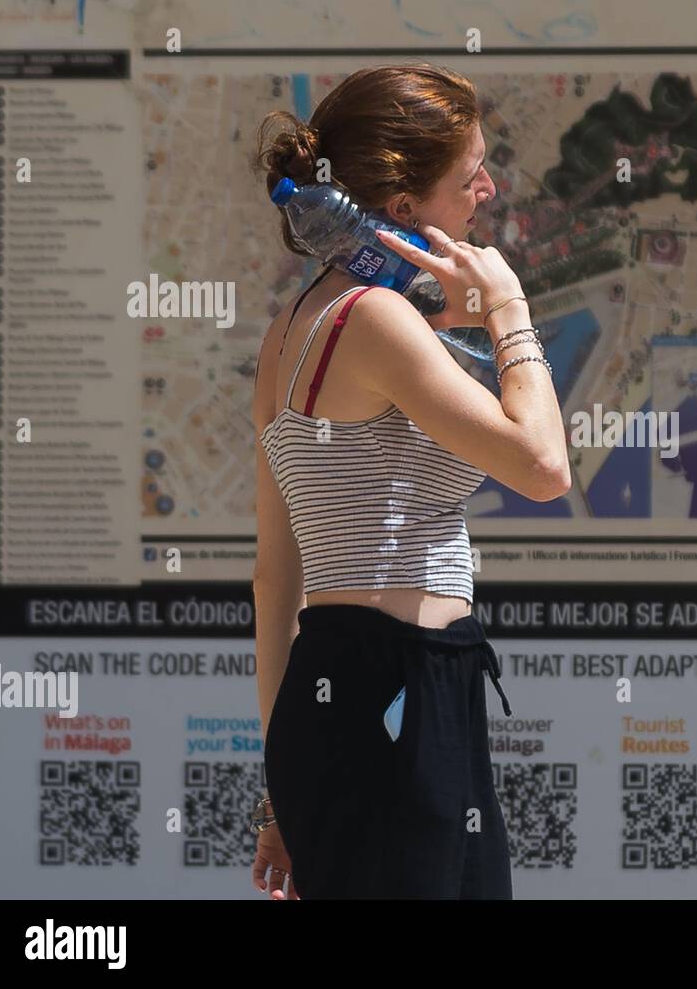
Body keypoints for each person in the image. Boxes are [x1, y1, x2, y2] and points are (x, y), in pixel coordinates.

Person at [248, 63, 570, 899]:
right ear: (401, 207)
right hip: (404, 683)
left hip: (350, 688)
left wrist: (282, 793)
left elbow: (273, 582)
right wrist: (510, 312)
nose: (489, 192)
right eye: (470, 177)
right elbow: (542, 468)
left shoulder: (295, 328)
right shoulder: (378, 321)